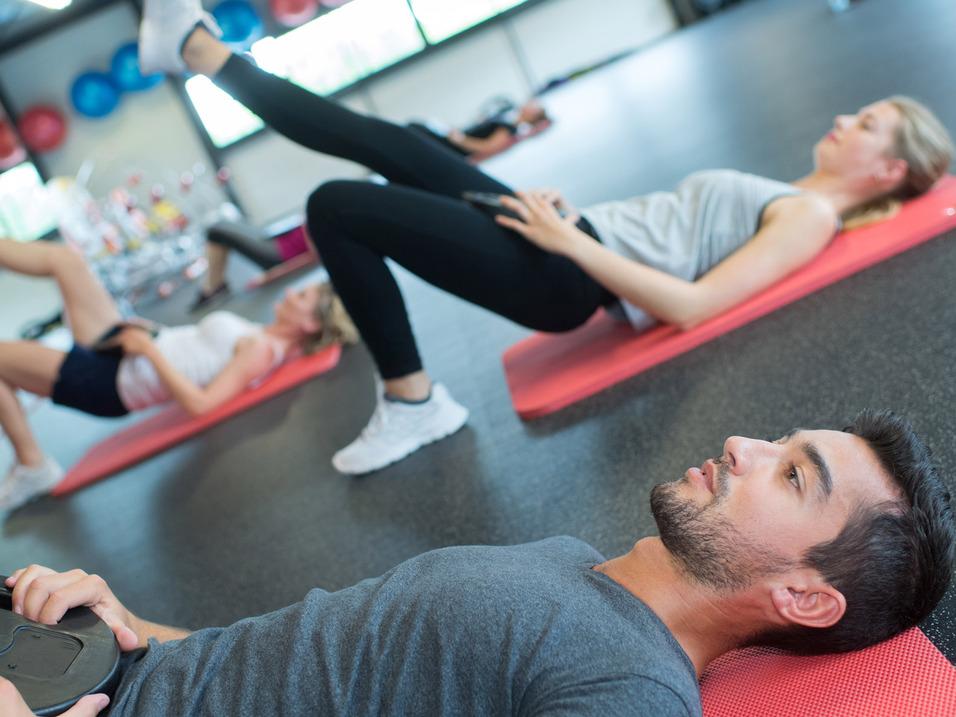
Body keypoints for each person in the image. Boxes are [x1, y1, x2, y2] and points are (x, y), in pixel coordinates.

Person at [139, 1, 953, 475]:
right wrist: (567, 221)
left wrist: (569, 241)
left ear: (889, 169)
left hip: (569, 275)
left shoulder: (809, 216)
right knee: (394, 145)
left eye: (868, 123)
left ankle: (415, 402)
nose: (845, 119)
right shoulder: (796, 195)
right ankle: (200, 49)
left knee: (338, 206)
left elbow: (697, 303)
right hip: (568, 238)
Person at [1, 410, 953, 716]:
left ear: (802, 594)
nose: (743, 443)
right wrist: (132, 630)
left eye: (790, 473)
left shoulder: (630, 687)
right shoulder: (575, 561)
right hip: (107, 666)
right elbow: (308, 665)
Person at [0, 238, 357, 511]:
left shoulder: (262, 350)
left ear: (310, 322)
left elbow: (201, 404)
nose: (292, 292)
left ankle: (33, 466)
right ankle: (32, 463)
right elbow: (194, 354)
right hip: (128, 350)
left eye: (303, 296)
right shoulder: (267, 338)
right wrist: (150, 337)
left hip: (111, 382)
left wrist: (149, 351)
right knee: (65, 259)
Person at [192, 214, 319, 311]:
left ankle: (212, 287)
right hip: (278, 237)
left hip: (278, 254)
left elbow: (313, 256)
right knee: (217, 231)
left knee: (216, 230)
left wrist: (271, 275)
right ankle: (214, 286)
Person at [406, 97, 550, 159]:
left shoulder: (509, 128)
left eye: (533, 106)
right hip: (454, 138)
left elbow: (487, 147)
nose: (528, 103)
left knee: (415, 128)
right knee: (416, 127)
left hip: (454, 147)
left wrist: (459, 140)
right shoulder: (507, 117)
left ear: (533, 115)